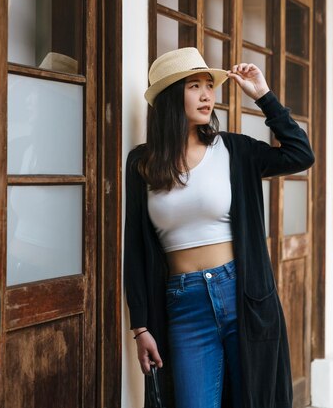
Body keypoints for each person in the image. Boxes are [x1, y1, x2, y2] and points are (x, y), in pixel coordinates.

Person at [124, 47, 315, 408]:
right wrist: (141, 327)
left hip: (242, 295)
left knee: (254, 399)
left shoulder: (233, 151)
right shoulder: (142, 163)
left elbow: (300, 153)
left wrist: (264, 95)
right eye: (194, 85)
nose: (207, 95)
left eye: (209, 85)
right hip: (183, 304)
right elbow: (134, 247)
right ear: (170, 96)